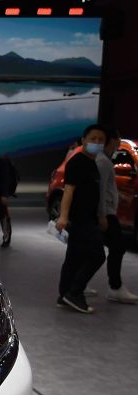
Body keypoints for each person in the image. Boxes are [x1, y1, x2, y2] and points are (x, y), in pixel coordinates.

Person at [55, 124, 108, 314]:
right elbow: (68, 191)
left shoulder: (91, 162)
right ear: (83, 140)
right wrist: (63, 216)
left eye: (101, 140)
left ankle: (64, 295)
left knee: (74, 257)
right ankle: (75, 292)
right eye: (93, 138)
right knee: (97, 255)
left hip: (88, 218)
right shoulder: (77, 162)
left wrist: (100, 215)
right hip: (81, 219)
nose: (97, 142)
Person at [96, 128, 138, 303]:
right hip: (107, 213)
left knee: (91, 252)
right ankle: (115, 287)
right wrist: (102, 215)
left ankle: (76, 286)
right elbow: (100, 191)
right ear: (112, 141)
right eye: (117, 140)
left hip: (107, 212)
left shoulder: (104, 160)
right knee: (115, 248)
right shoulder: (103, 161)